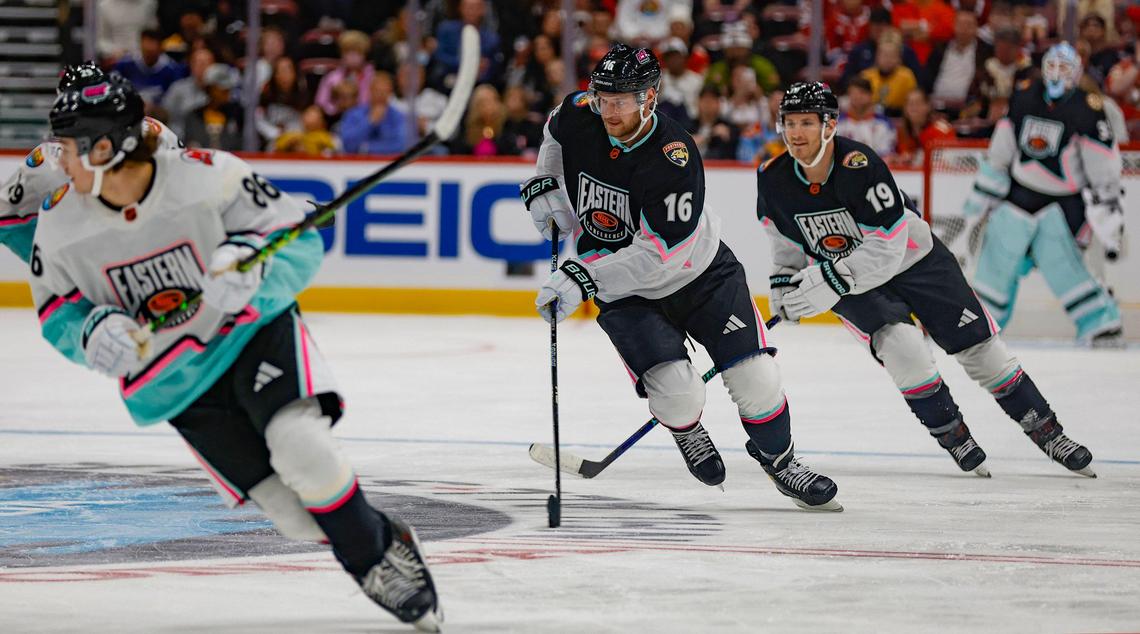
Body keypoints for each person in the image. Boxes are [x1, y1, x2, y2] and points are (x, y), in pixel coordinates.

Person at [31, 72, 441, 630]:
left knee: (303, 450)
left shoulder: (207, 177)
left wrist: (253, 266)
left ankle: (371, 563)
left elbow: (299, 239)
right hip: (176, 381)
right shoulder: (59, 224)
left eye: (69, 146)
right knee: (294, 519)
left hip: (251, 339)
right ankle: (382, 534)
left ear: (106, 148)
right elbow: (57, 311)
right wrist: (90, 331)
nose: (58, 160)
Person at [520, 44, 841, 511]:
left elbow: (658, 254)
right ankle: (686, 429)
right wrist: (544, 182)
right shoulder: (582, 111)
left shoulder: (674, 157)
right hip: (623, 291)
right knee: (677, 395)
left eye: (621, 101)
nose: (608, 110)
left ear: (649, 98)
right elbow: (553, 135)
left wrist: (580, 276)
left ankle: (782, 461)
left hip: (700, 274)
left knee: (757, 378)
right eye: (602, 98)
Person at [757, 81, 1095, 478]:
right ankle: (952, 434)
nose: (796, 134)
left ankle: (1047, 431)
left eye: (807, 123)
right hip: (850, 282)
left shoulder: (859, 166)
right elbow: (783, 238)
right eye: (791, 123)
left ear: (829, 124)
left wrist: (829, 279)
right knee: (903, 348)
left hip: (914, 261)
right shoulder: (773, 176)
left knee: (983, 352)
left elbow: (886, 247)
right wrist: (783, 282)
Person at [965, 43, 1124, 346]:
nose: (1056, 74)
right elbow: (1002, 148)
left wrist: (1108, 218)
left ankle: (1102, 324)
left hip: (1063, 204)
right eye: (1052, 66)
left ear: (1076, 73)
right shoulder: (1025, 95)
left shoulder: (1088, 109)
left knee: (1064, 266)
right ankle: (980, 323)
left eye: (1064, 69)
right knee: (997, 260)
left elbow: (1103, 166)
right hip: (1018, 194)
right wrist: (983, 195)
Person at [1, 62, 182, 264]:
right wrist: (49, 265)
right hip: (104, 266)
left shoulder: (152, 132)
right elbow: (5, 214)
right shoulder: (50, 160)